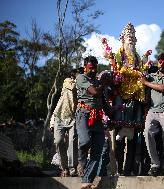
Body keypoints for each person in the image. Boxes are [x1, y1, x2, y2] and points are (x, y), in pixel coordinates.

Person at [103, 23, 150, 176]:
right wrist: (136, 73)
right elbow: (118, 70)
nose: (131, 40)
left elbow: (142, 72)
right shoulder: (120, 53)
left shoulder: (136, 55)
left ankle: (129, 169)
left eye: (133, 38)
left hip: (136, 96)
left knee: (133, 134)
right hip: (120, 95)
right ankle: (117, 168)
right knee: (118, 134)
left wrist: (145, 64)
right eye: (129, 37)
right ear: (123, 39)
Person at [139, 52, 164, 176]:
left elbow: (162, 88)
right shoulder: (151, 75)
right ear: (158, 62)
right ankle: (155, 165)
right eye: (160, 61)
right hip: (152, 111)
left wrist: (145, 82)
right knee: (147, 133)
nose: (162, 64)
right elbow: (139, 74)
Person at [75, 56, 110, 189]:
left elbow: (102, 101)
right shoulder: (81, 78)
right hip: (83, 114)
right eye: (91, 68)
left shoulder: (98, 81)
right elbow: (94, 92)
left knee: (98, 150)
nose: (93, 70)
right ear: (85, 67)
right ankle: (81, 163)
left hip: (97, 116)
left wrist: (114, 112)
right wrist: (103, 84)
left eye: (95, 68)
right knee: (84, 141)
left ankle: (86, 180)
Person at [49, 69, 78, 177]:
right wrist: (52, 122)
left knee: (72, 142)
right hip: (60, 116)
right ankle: (64, 167)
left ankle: (72, 168)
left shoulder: (84, 87)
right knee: (58, 141)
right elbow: (73, 87)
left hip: (73, 117)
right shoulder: (67, 81)